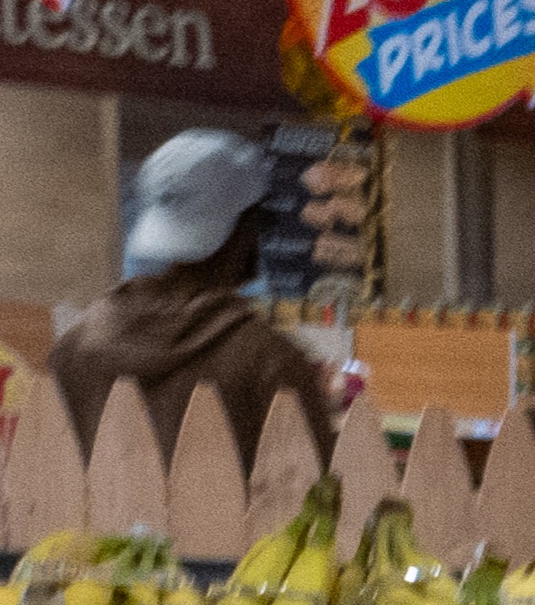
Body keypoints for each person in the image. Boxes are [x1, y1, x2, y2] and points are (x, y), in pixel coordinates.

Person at [52, 123, 342, 479]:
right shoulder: (270, 362)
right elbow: (318, 497)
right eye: (260, 219)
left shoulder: (75, 348)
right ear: (242, 227)